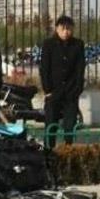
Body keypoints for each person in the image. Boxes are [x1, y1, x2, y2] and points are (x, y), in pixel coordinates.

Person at [39, 15, 85, 148]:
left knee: (69, 125)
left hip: (71, 92)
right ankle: (48, 151)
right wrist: (47, 90)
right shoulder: (49, 44)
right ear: (57, 29)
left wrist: (77, 89)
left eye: (69, 29)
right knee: (51, 124)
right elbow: (44, 68)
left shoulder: (78, 44)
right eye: (63, 29)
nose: (66, 32)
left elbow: (80, 69)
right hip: (53, 92)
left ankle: (68, 151)